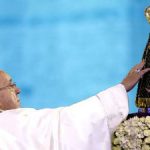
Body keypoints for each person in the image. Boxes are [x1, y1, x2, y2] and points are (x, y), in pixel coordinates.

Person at [0, 61, 149, 150]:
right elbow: (64, 127)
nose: (18, 90)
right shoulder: (10, 123)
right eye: (10, 85)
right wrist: (121, 89)